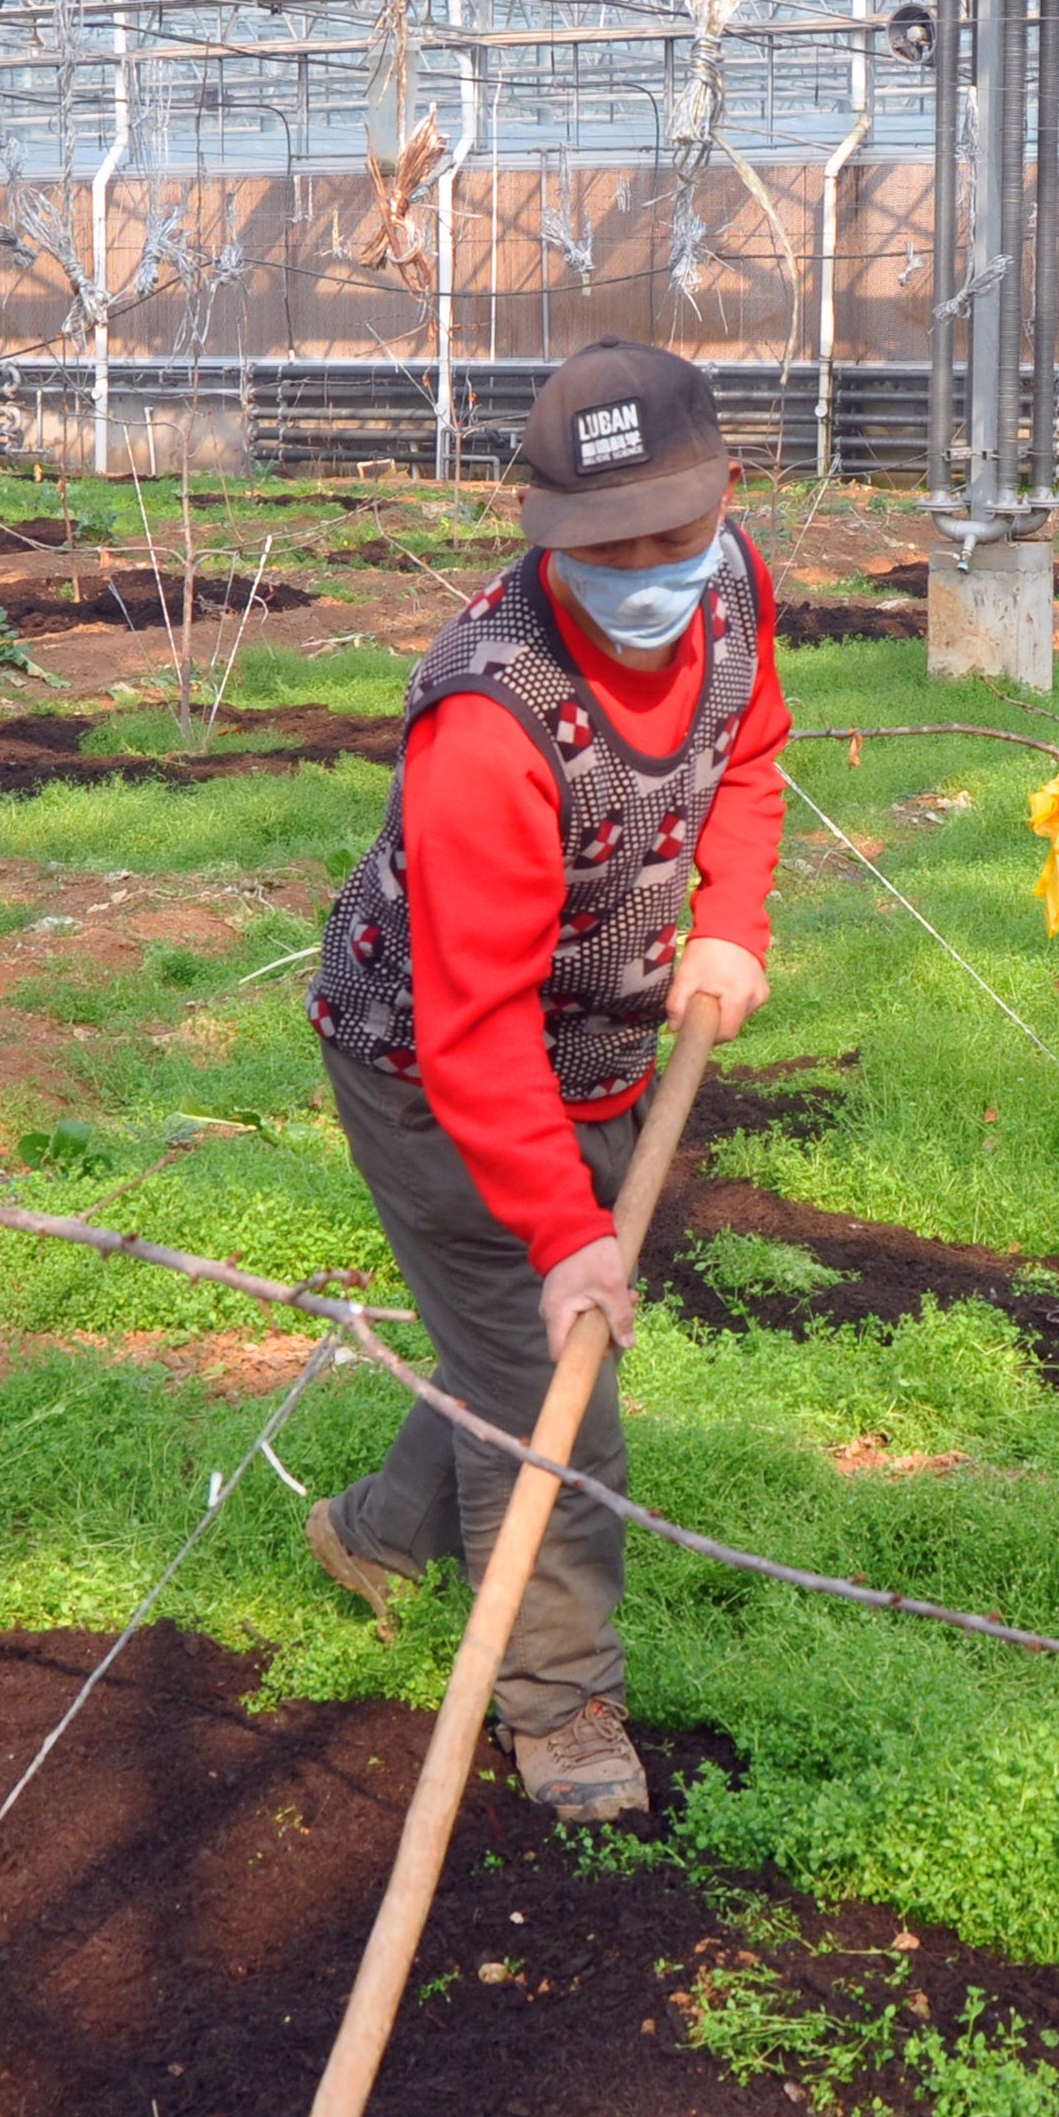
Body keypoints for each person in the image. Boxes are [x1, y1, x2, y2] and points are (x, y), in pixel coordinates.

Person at [298, 338, 787, 1823]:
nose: (644, 573)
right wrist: (568, 1235)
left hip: (596, 1041)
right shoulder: (488, 722)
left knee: (507, 1344)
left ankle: (379, 1535)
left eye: (671, 535)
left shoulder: (734, 592)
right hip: (430, 1074)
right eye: (601, 547)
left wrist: (730, 924)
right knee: (556, 1388)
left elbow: (750, 758)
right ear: (534, 528)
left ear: (726, 498)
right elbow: (471, 1029)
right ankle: (564, 1711)